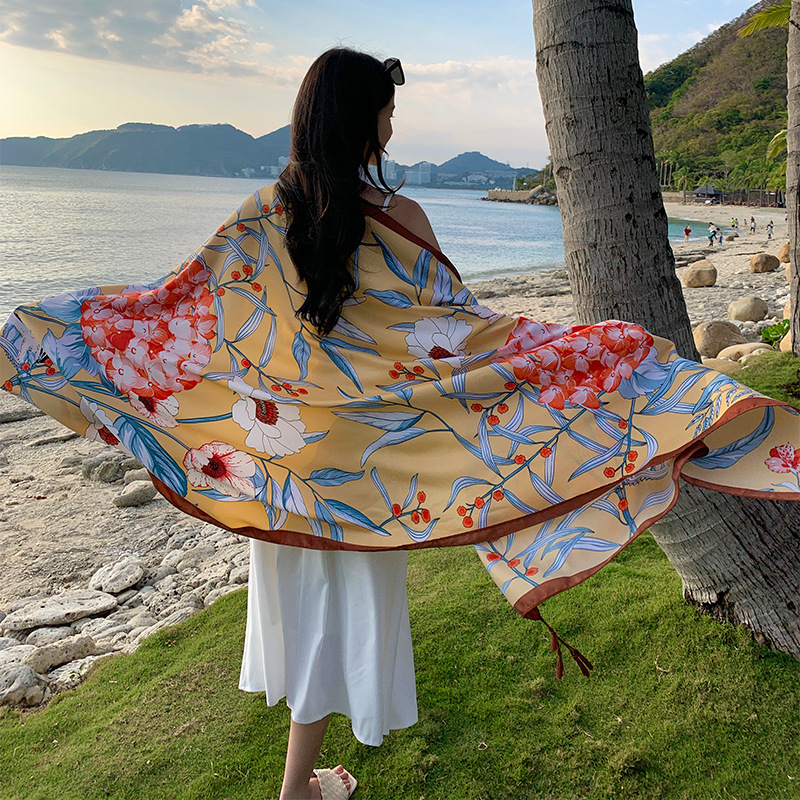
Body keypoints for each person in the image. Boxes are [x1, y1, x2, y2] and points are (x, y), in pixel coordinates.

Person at [2, 47, 799, 800]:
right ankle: (294, 790)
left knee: (305, 617)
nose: (394, 128)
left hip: (285, 470)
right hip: (372, 475)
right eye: (386, 112)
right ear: (359, 121)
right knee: (334, 621)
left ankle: (300, 783)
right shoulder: (403, 217)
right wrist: (595, 353)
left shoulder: (259, 218)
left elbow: (177, 315)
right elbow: (459, 339)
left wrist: (53, 333)